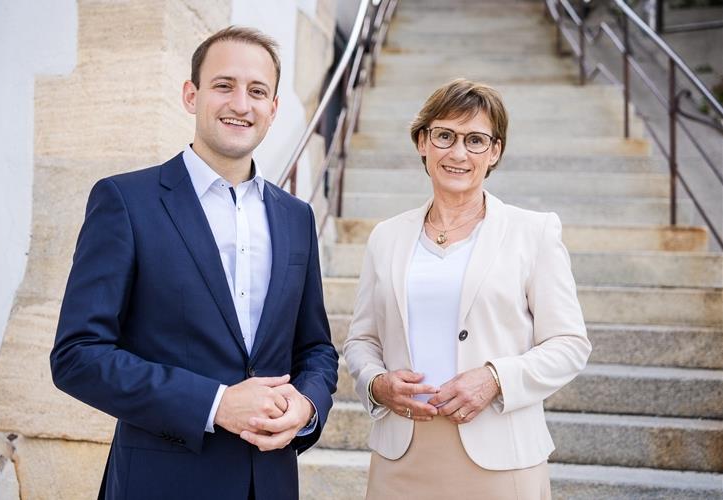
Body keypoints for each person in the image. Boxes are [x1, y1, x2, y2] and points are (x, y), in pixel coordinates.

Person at [50, 26, 338, 500]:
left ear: (273, 109)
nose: (241, 104)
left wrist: (306, 405)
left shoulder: (297, 217)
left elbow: (316, 349)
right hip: (161, 483)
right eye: (224, 85)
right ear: (191, 94)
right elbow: (77, 355)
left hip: (269, 482)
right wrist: (216, 403)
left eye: (257, 91)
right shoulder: (125, 201)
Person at [343, 78, 591, 500]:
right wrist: (377, 384)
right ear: (423, 142)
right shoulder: (386, 236)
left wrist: (496, 379)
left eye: (476, 140)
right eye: (445, 136)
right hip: (400, 459)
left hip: (501, 459)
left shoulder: (534, 232)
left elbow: (569, 344)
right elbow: (361, 340)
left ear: (494, 152)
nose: (458, 153)